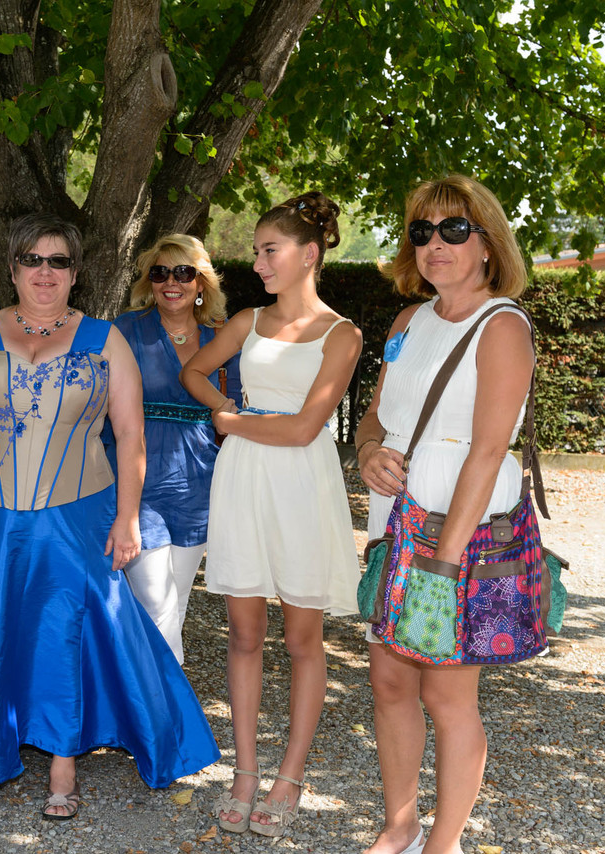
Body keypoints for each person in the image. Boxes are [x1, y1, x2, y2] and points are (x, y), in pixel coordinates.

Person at [0, 213, 219, 822]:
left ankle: (63, 764)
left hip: (77, 513)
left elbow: (130, 435)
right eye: (32, 260)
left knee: (63, 631)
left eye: (58, 261)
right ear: (12, 268)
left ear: (75, 273)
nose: (44, 272)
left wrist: (128, 519)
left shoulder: (104, 339)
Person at [353, 175, 533, 854]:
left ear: (487, 244)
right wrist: (367, 451)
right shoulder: (408, 322)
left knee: (448, 697)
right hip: (394, 517)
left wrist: (444, 566)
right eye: (422, 230)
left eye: (454, 229)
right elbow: (376, 415)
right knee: (389, 681)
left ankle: (443, 844)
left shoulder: (502, 325)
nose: (435, 243)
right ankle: (399, 826)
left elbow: (486, 452)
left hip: (459, 534)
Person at [180, 192, 363, 838]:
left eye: (269, 250)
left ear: (308, 254)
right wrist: (222, 407)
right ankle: (246, 773)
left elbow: (305, 428)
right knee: (243, 634)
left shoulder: (342, 334)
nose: (257, 263)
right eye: (257, 252)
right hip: (245, 481)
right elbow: (195, 372)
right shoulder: (248, 321)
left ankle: (290, 776)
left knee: (302, 639)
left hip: (302, 483)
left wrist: (231, 422)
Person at [109, 233, 240, 664]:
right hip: (138, 478)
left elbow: (238, 406)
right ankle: (167, 703)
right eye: (160, 272)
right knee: (156, 601)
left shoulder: (222, 337)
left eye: (183, 272)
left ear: (201, 282)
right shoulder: (126, 330)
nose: (171, 282)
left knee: (175, 602)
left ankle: (145, 695)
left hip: (200, 481)